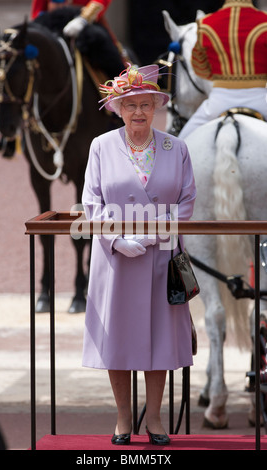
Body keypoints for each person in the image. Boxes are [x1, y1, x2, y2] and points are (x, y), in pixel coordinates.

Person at [80, 63, 197, 445]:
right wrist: (117, 240)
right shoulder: (101, 146)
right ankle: (123, 418)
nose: (138, 113)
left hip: (162, 255)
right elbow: (91, 202)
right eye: (130, 106)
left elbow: (187, 200)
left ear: (156, 107)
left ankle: (156, 418)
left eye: (146, 105)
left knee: (159, 336)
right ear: (118, 109)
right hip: (115, 257)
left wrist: (152, 234)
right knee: (119, 337)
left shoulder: (175, 147)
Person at [178, 0, 267, 139]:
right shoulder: (264, 21)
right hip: (261, 100)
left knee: (180, 146)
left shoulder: (206, 23)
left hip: (219, 101)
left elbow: (199, 66)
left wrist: (219, 75)